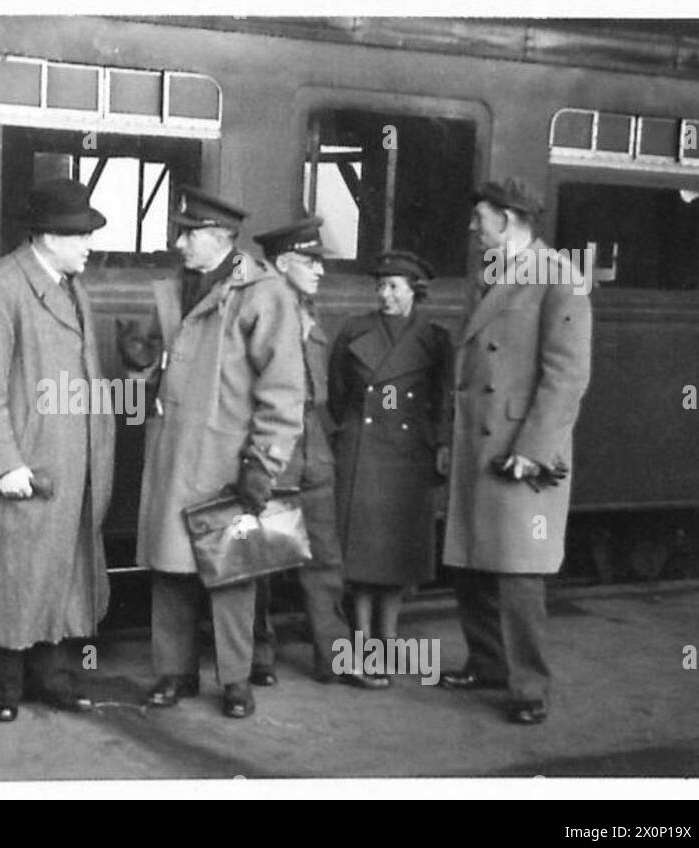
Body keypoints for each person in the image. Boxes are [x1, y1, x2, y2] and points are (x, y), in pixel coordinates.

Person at [123, 185, 304, 719]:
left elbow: (284, 389)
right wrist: (137, 364)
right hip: (175, 452)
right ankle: (174, 673)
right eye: (181, 232)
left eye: (189, 233)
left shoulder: (263, 293)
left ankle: (235, 680)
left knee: (232, 574)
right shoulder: (177, 289)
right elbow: (157, 372)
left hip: (228, 460)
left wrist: (263, 463)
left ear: (221, 238)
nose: (179, 242)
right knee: (170, 568)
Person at [0, 178, 117, 723]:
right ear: (48, 236)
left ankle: (51, 680)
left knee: (57, 575)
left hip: (66, 464)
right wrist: (4, 464)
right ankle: (1, 691)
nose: (90, 244)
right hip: (27, 466)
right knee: (8, 578)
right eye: (82, 235)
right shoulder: (3, 285)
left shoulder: (69, 285)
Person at [439, 178, 592, 725]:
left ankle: (530, 687)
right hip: (476, 441)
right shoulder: (490, 275)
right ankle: (486, 663)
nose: (473, 227)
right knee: (472, 563)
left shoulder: (559, 277)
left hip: (520, 450)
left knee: (518, 574)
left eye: (480, 217)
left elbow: (567, 376)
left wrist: (534, 449)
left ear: (508, 218)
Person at [246, 219, 386, 690]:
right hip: (274, 445)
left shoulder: (307, 311)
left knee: (326, 559)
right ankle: (256, 659)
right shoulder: (259, 309)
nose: (320, 270)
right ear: (283, 264)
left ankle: (336, 658)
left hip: (312, 447)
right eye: (311, 261)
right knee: (262, 558)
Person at [328, 250, 454, 685]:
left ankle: (389, 643)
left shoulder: (436, 340)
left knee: (396, 561)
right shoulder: (353, 332)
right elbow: (338, 394)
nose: (384, 294)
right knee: (360, 563)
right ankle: (360, 649)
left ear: (413, 291)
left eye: (394, 287)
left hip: (408, 457)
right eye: (380, 286)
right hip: (362, 451)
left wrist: (439, 446)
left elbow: (443, 401)